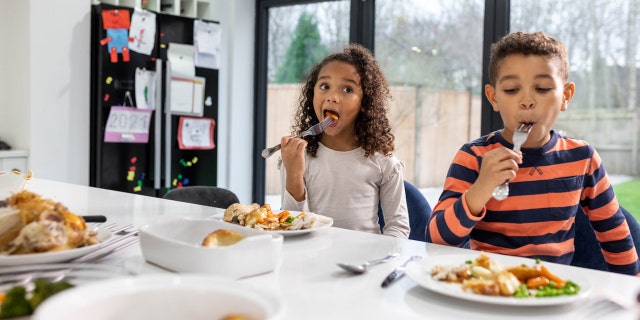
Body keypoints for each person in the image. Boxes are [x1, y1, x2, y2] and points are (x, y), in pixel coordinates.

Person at [425, 31, 640, 276]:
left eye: (542, 88)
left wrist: (633, 292)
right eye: (511, 90)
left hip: (551, 290)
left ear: (565, 96)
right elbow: (435, 241)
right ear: (493, 98)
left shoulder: (583, 158)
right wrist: (481, 189)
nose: (527, 100)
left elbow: (615, 234)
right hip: (488, 289)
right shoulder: (473, 157)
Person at [278, 43, 410, 238]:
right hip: (312, 260)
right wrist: (294, 174)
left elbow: (398, 227)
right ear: (312, 94)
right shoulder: (297, 157)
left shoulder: (383, 161)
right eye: (324, 86)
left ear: (365, 103)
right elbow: (291, 226)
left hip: (365, 262)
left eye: (347, 89)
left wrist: (377, 263)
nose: (332, 97)